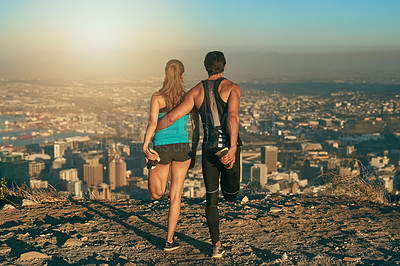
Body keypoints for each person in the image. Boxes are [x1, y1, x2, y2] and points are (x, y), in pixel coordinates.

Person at [155, 51, 242, 258]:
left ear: (206, 67)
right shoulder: (233, 88)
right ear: (224, 67)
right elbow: (232, 118)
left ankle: (216, 245)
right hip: (228, 146)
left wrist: (152, 132)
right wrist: (232, 148)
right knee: (231, 195)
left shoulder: (194, 92)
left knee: (211, 198)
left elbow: (173, 116)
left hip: (209, 148)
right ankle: (229, 169)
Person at [142, 59, 199, 252]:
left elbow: (152, 121)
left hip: (162, 147)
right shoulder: (187, 97)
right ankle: (169, 240)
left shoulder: (157, 97)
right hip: (183, 147)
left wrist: (145, 143)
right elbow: (194, 125)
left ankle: (151, 165)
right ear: (182, 76)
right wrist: (195, 148)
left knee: (156, 194)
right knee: (176, 196)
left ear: (166, 75)